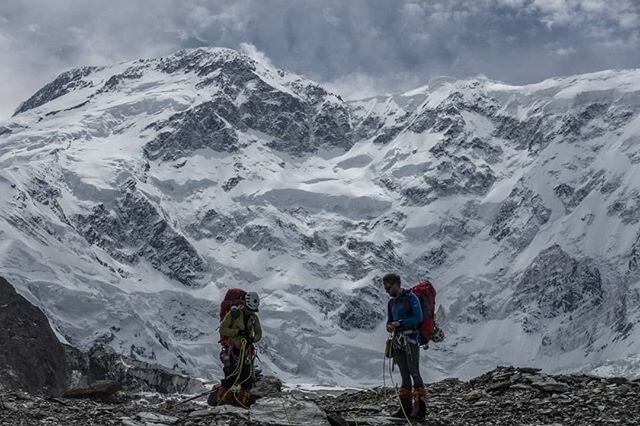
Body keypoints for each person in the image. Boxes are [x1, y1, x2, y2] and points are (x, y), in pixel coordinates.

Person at [384, 273, 427, 419]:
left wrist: (401, 323)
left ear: (397, 284)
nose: (387, 291)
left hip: (411, 338)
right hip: (398, 339)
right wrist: (389, 326)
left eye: (389, 287)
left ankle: (421, 408)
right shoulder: (391, 303)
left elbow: (418, 317)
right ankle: (405, 408)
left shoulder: (411, 297)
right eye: (385, 288)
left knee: (414, 371)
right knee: (404, 372)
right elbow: (389, 320)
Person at [215, 291, 262, 408]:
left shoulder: (253, 318)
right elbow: (222, 329)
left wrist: (252, 339)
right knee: (230, 375)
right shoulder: (234, 313)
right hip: (232, 349)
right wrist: (236, 332)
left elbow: (259, 334)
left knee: (246, 377)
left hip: (245, 351)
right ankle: (223, 400)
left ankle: (241, 400)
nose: (251, 311)